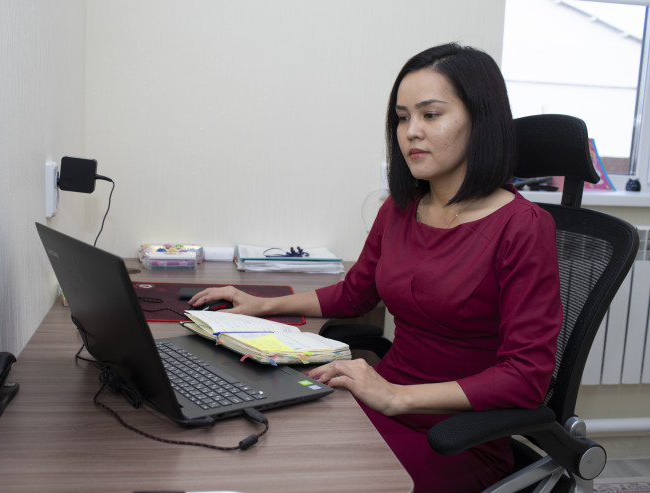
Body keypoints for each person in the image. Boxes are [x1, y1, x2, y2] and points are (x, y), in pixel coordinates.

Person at [188, 43, 563, 492]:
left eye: (430, 114)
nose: (411, 132)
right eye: (403, 118)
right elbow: (354, 295)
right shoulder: (400, 209)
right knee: (257, 443)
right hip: (378, 402)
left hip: (457, 438)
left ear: (480, 121)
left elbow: (526, 377)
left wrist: (397, 396)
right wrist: (262, 305)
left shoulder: (523, 226)